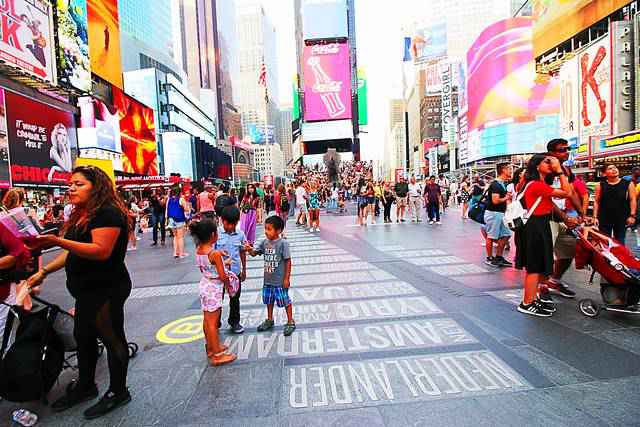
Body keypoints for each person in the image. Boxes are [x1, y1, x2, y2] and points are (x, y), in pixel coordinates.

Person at [26, 166, 133, 419]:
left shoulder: (108, 213)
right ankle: (86, 386)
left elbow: (100, 250)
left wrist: (55, 241)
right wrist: (45, 271)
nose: (71, 188)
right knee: (82, 336)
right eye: (70, 183)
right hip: (86, 290)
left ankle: (118, 392)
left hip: (106, 289)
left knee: (112, 338)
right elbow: (73, 251)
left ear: (96, 187)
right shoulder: (83, 214)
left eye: (79, 184)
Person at [515, 155, 572, 317]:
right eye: (546, 162)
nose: (551, 164)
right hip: (535, 227)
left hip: (538, 225)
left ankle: (533, 298)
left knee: (538, 265)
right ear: (536, 166)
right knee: (534, 266)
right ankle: (527, 303)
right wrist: (560, 171)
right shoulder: (536, 185)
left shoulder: (534, 184)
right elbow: (567, 192)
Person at [541, 139, 589, 298]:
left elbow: (572, 193)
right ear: (551, 153)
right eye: (562, 149)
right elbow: (544, 197)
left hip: (564, 216)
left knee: (568, 253)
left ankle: (554, 281)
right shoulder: (543, 168)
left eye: (568, 148)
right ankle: (541, 288)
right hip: (546, 217)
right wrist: (565, 217)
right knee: (545, 255)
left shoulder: (566, 170)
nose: (566, 152)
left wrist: (582, 213)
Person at [189, 219, 237, 365]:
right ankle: (217, 354)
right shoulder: (214, 253)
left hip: (205, 284)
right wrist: (229, 283)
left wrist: (222, 261)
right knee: (212, 322)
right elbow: (222, 275)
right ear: (212, 235)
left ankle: (211, 347)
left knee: (207, 320)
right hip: (214, 288)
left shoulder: (199, 250)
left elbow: (208, 266)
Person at [244, 215, 295, 336]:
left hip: (279, 281)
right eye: (265, 228)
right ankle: (270, 319)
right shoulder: (264, 242)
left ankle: (290, 321)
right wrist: (249, 249)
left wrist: (287, 279)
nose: (266, 232)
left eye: (269, 229)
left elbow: (288, 261)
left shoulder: (283, 244)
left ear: (278, 231)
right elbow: (254, 253)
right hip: (268, 281)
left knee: (285, 301)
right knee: (269, 301)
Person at [593, 163, 637, 245]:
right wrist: (595, 217)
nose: (614, 170)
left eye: (615, 167)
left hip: (621, 218)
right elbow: (596, 201)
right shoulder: (600, 185)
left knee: (620, 242)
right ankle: (606, 258)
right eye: (610, 168)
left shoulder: (628, 184)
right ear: (604, 173)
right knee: (605, 242)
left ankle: (619, 257)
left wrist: (632, 216)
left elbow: (633, 200)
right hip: (604, 218)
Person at [484, 163, 514, 267]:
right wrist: (507, 198)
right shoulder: (496, 184)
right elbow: (495, 201)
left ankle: (499, 257)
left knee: (506, 234)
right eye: (509, 169)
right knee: (491, 236)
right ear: (503, 170)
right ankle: (489, 258)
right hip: (493, 213)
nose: (511, 171)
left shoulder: (502, 184)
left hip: (500, 214)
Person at [166, 187, 188, 259]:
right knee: (180, 237)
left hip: (171, 220)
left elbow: (167, 209)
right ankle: (181, 253)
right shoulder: (181, 199)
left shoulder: (169, 199)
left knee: (175, 236)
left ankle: (175, 252)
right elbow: (186, 208)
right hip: (179, 219)